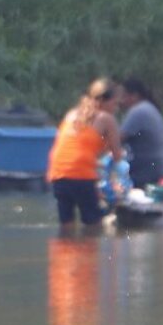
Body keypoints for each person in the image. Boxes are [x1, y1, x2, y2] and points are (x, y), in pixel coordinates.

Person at [47, 78, 124, 231]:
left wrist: (96, 162)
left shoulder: (72, 114)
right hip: (81, 176)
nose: (116, 108)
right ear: (103, 101)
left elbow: (77, 149)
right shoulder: (106, 119)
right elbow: (117, 156)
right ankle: (86, 254)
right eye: (115, 103)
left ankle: (63, 254)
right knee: (93, 227)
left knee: (66, 227)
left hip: (58, 174)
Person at [119, 78, 163, 188]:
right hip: (158, 170)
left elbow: (117, 139)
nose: (120, 101)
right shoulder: (149, 108)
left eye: (123, 96)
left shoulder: (138, 111)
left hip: (144, 174)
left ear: (134, 96)